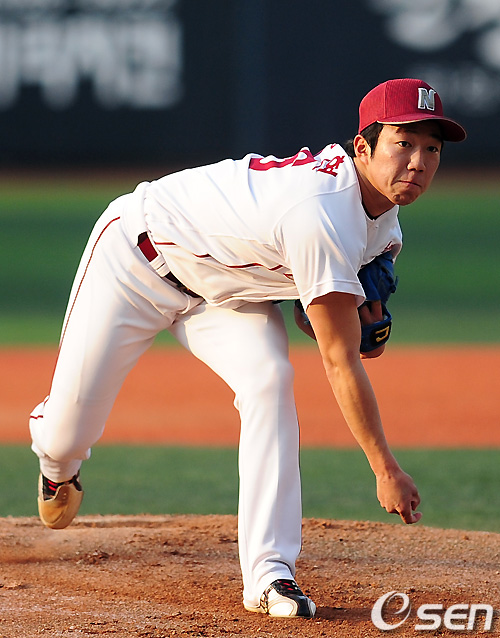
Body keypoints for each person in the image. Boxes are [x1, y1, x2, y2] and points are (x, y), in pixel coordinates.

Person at [29, 78, 466, 619]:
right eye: (404, 143)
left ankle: (269, 573)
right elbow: (339, 358)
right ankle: (57, 461)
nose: (418, 162)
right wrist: (385, 468)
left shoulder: (385, 225)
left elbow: (334, 327)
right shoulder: (322, 212)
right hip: (134, 260)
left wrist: (359, 322)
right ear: (363, 147)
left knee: (269, 381)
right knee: (65, 434)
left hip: (227, 294)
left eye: (432, 149)